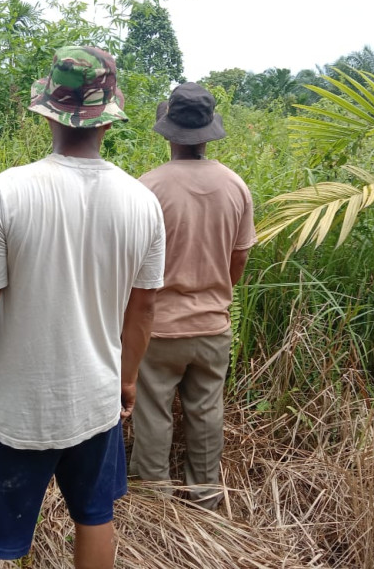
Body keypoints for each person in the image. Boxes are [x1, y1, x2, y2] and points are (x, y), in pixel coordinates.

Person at [0, 46, 165, 569]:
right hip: (96, 402)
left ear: (47, 112)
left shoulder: (9, 191)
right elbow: (143, 310)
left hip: (17, 406)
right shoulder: (141, 202)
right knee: (94, 516)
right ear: (108, 118)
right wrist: (126, 379)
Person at [129, 82, 257, 510]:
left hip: (158, 328)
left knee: (152, 410)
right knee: (206, 411)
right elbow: (238, 259)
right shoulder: (235, 186)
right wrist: (215, 294)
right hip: (212, 325)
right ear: (208, 133)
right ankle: (205, 496)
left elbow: (132, 265)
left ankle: (154, 498)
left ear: (168, 133)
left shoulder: (147, 188)